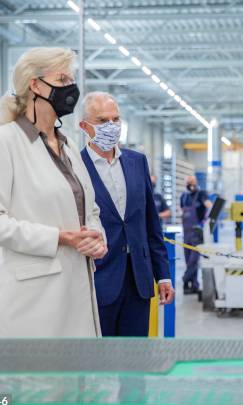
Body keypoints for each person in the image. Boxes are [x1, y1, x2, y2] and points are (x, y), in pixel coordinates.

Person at [0, 47, 107, 337]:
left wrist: (97, 238)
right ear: (35, 85)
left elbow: (90, 211)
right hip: (33, 302)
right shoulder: (3, 142)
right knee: (36, 382)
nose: (71, 88)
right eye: (62, 79)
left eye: (72, 79)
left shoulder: (69, 147)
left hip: (78, 293)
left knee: (79, 380)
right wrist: (59, 237)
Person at [79, 92, 174, 337]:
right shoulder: (76, 168)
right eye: (102, 121)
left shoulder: (137, 162)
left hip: (138, 281)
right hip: (98, 280)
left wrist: (163, 275)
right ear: (84, 126)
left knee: (136, 361)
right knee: (99, 362)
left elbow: (151, 224)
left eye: (116, 119)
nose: (111, 127)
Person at [180, 175, 212, 294]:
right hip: (186, 233)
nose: (191, 184)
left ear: (196, 182)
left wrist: (204, 223)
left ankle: (184, 279)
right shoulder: (183, 196)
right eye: (188, 182)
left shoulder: (202, 194)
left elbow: (210, 207)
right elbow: (182, 211)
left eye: (192, 182)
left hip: (197, 233)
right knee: (188, 260)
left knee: (194, 259)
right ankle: (193, 285)